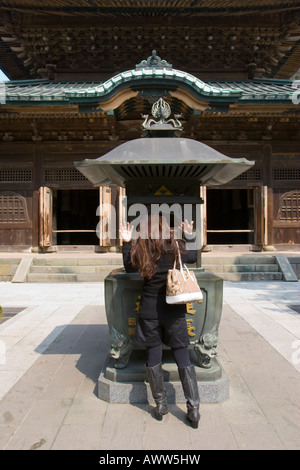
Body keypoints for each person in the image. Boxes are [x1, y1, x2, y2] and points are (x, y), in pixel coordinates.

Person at [119, 214, 200, 429]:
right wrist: (190, 236)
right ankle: (193, 409)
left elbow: (128, 267)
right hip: (174, 310)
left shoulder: (141, 248)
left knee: (153, 355)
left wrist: (126, 242)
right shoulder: (174, 246)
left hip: (149, 311)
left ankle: (161, 404)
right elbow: (192, 256)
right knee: (182, 354)